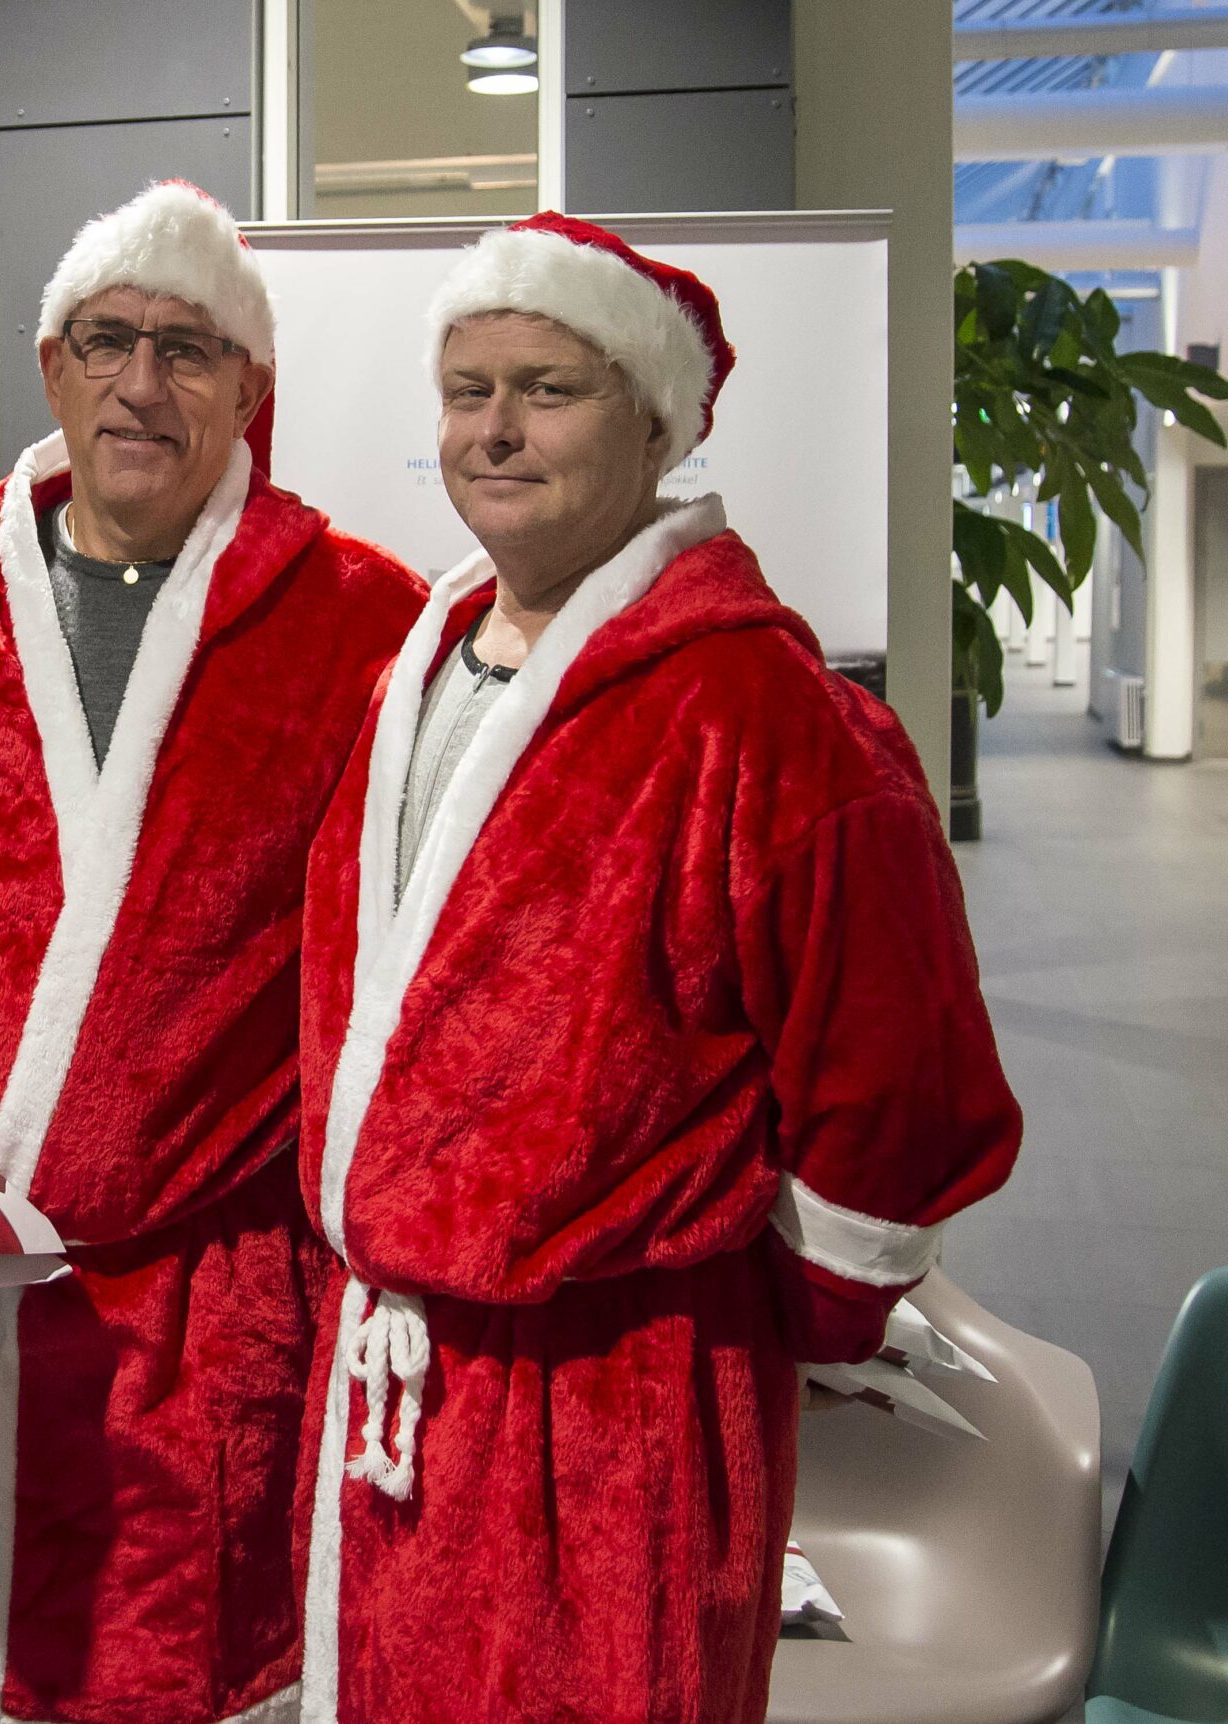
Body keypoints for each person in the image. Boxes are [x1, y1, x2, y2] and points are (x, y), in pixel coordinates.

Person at [294, 212, 1023, 1724]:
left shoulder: (766, 709)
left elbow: (903, 1093)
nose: (492, 430)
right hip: (402, 1380)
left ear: (657, 422)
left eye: (547, 389)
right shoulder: (418, 665)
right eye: (466, 388)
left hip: (617, 1405)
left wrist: (772, 1323)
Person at [0, 182, 427, 1724]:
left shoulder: (359, 619)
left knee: (180, 1679)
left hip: (207, 1306)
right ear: (51, 366)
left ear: (248, 393)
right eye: (109, 343)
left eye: (189, 352)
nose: (143, 384)